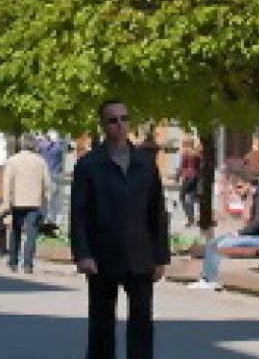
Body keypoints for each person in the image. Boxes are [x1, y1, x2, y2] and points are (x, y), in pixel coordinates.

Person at [71, 100, 170, 359]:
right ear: (103, 125)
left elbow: (157, 211)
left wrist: (160, 256)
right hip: (102, 256)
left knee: (142, 322)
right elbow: (79, 213)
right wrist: (83, 254)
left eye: (124, 119)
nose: (120, 125)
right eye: (113, 120)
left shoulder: (145, 163)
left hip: (140, 255)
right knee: (101, 325)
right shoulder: (89, 164)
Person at [188, 176, 259, 290]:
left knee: (221, 244)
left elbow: (258, 223)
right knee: (213, 242)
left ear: (248, 184)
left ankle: (210, 279)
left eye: (240, 187)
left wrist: (240, 233)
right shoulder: (256, 196)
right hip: (254, 236)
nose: (238, 191)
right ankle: (206, 278)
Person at [2, 136, 52, 274]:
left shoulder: (13, 160)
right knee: (31, 234)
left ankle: (13, 262)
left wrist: (6, 203)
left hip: (17, 201)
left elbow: (7, 183)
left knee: (15, 231)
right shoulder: (40, 161)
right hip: (34, 202)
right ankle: (28, 264)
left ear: (21, 145)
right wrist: (45, 202)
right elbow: (47, 184)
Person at [177, 141, 202, 229]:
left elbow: (182, 166)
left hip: (188, 177)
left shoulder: (185, 154)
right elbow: (199, 167)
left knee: (182, 197)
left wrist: (177, 176)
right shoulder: (197, 154)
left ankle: (190, 218)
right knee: (191, 197)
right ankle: (192, 219)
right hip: (196, 177)